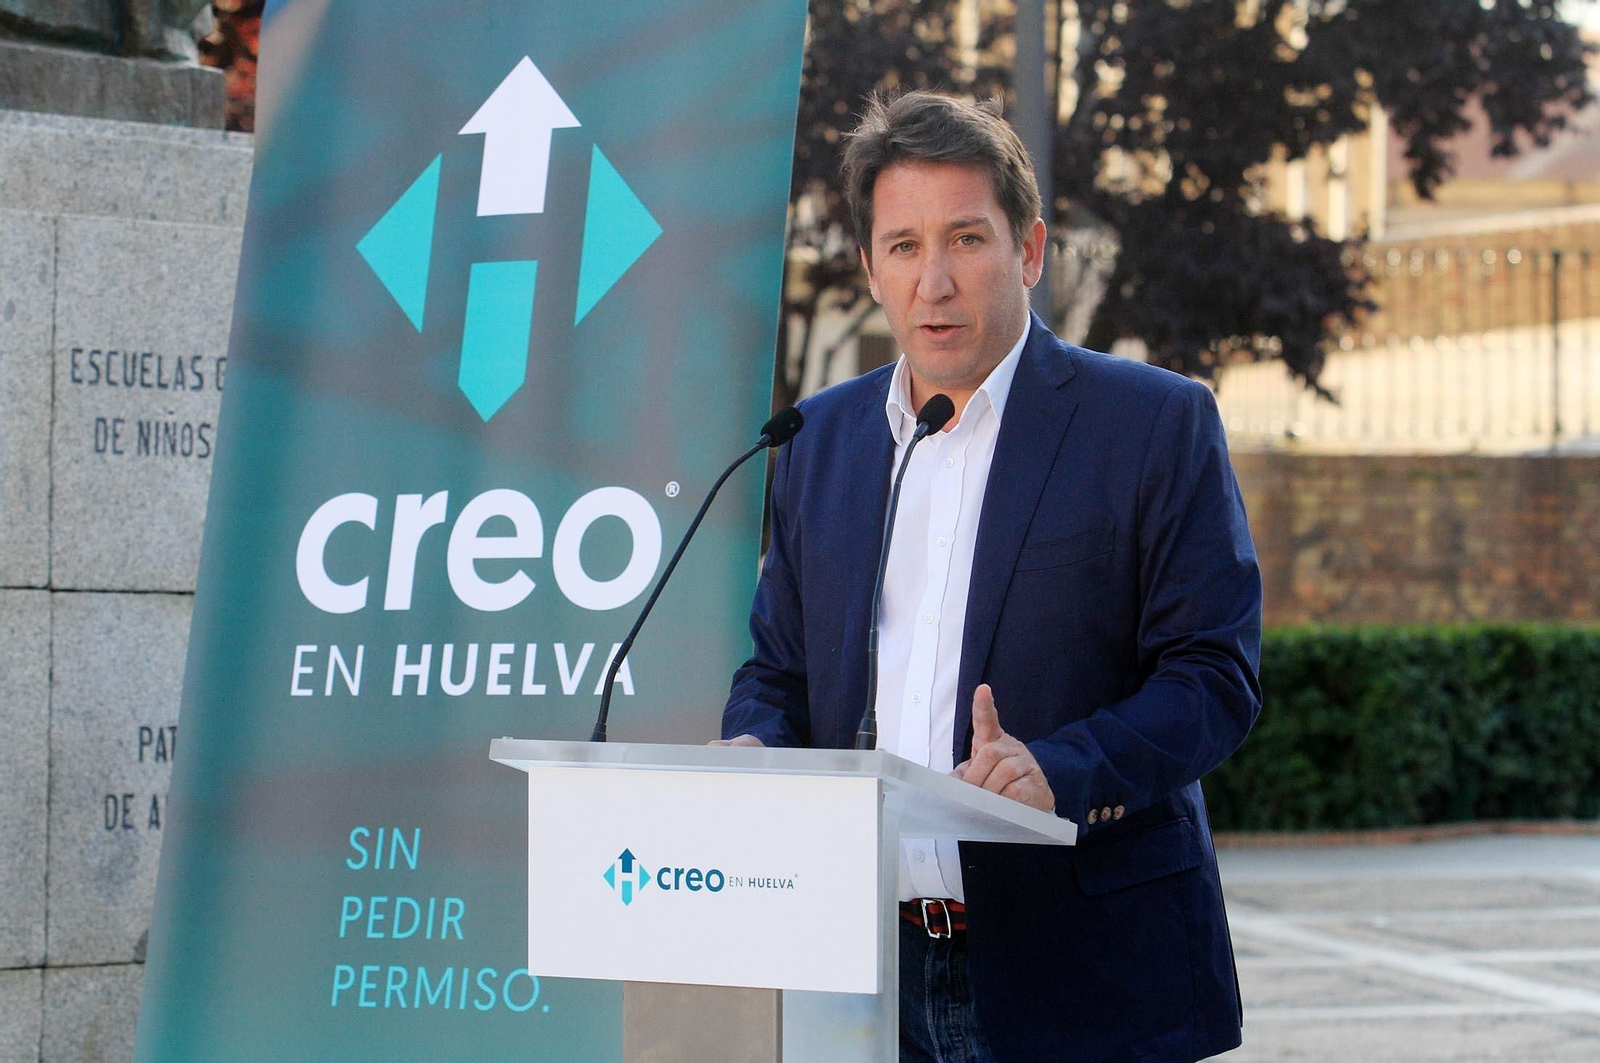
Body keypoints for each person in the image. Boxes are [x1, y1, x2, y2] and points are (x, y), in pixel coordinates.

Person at [719, 91, 1261, 1063]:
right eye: (902, 246)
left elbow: (1213, 678)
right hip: (862, 970)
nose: (934, 281)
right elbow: (777, 670)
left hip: (1082, 970)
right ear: (869, 270)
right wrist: (759, 749)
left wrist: (1060, 770)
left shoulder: (1151, 425)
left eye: (966, 239)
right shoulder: (818, 441)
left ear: (1030, 249)